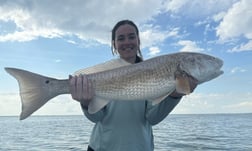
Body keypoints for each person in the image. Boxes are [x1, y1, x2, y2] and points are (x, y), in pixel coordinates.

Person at [69, 20, 197, 151]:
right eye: (121, 38)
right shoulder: (102, 73)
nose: (127, 42)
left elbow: (153, 118)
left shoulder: (156, 72)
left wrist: (175, 95)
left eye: (131, 37)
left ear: (138, 40)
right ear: (114, 44)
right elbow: (96, 117)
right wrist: (85, 102)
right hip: (101, 147)